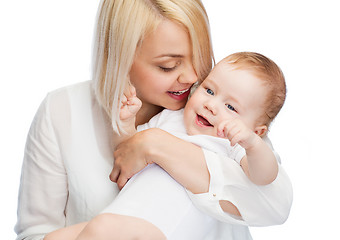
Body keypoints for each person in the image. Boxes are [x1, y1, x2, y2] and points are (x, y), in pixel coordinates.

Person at [15, 0, 293, 239]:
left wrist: (156, 145)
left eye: (199, 57)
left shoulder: (231, 121)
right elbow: (126, 153)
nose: (193, 77)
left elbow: (274, 203)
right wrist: (129, 130)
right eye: (168, 66)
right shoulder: (61, 110)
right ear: (119, 57)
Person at [55, 51, 287, 240]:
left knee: (103, 228)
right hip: (124, 212)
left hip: (159, 227)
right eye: (209, 90)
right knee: (57, 237)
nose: (211, 105)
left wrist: (254, 145)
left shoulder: (232, 145)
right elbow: (128, 153)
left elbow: (264, 177)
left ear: (257, 131)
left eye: (231, 107)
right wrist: (126, 124)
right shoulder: (170, 119)